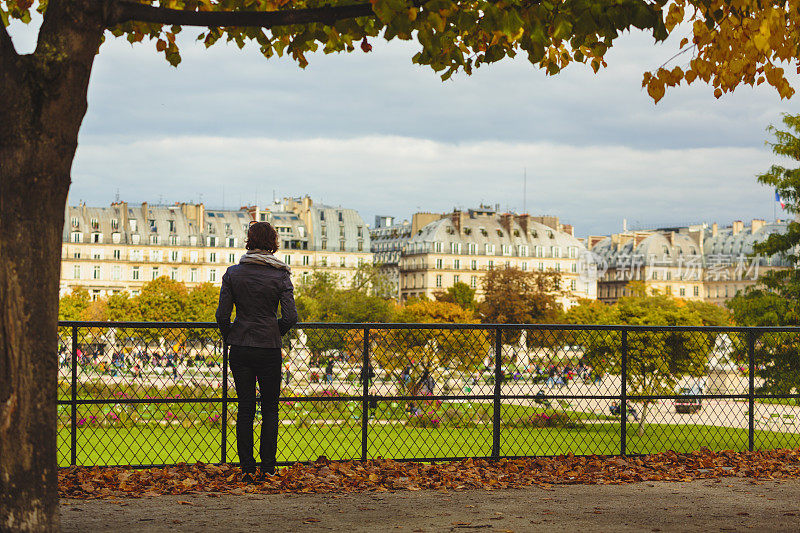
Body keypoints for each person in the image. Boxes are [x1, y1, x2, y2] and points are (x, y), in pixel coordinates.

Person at [216, 221, 298, 483]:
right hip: (269, 346)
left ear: (249, 241)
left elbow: (222, 315)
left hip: (240, 344)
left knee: (245, 409)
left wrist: (231, 334)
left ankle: (247, 468)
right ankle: (269, 467)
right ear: (273, 242)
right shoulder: (280, 275)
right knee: (271, 410)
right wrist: (276, 331)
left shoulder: (233, 273)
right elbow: (290, 316)